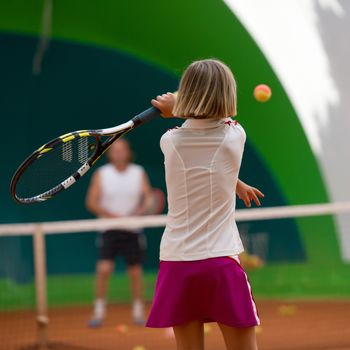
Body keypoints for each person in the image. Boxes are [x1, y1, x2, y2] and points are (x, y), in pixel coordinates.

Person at [146, 59, 264, 350]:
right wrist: (234, 180)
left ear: (187, 93)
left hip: (176, 264)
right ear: (228, 94)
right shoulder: (235, 136)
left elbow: (197, 153)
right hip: (219, 264)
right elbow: (214, 147)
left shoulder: (169, 141)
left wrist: (177, 108)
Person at [86, 139, 153, 327]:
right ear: (109, 154)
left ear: (128, 152)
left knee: (135, 271)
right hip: (109, 230)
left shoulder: (139, 172)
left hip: (132, 230)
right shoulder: (101, 174)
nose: (119, 153)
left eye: (122, 149)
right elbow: (91, 202)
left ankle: (139, 311)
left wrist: (140, 211)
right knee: (104, 269)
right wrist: (111, 216)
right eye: (115, 150)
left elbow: (148, 198)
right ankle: (98, 312)